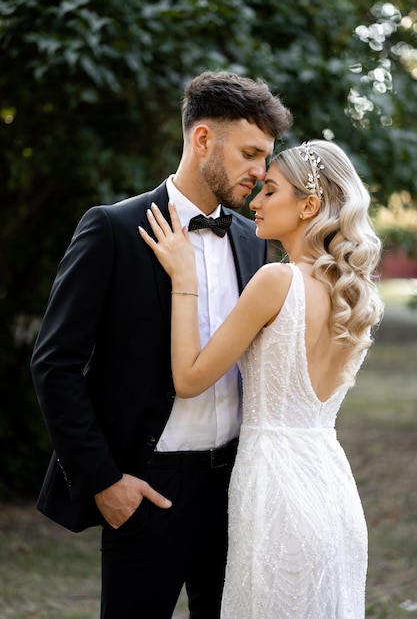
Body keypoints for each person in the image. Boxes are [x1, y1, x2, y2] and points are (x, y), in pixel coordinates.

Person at [30, 70, 292, 619]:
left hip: (236, 491)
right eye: (249, 153)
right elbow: (55, 365)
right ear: (202, 140)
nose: (259, 172)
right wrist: (105, 481)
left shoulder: (252, 240)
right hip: (147, 490)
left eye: (266, 157)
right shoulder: (111, 230)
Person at [139, 139, 384, 618]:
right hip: (332, 490)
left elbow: (189, 378)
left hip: (274, 490)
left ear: (308, 204)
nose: (254, 201)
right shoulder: (354, 297)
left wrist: (184, 278)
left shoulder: (278, 280)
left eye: (269, 190)